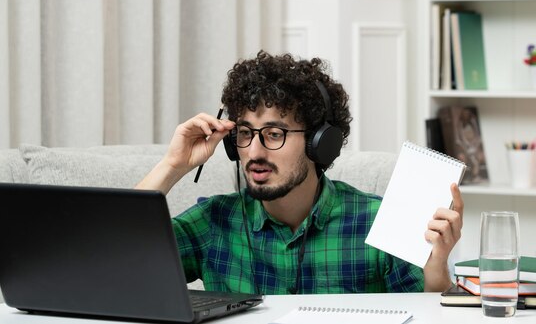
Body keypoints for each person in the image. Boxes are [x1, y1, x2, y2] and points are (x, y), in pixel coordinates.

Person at [136, 50, 464, 295]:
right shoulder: (213, 222)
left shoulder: (378, 221)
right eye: (246, 133)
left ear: (319, 143)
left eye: (275, 134)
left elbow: (427, 314)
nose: (254, 151)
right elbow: (114, 261)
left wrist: (436, 265)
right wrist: (172, 165)